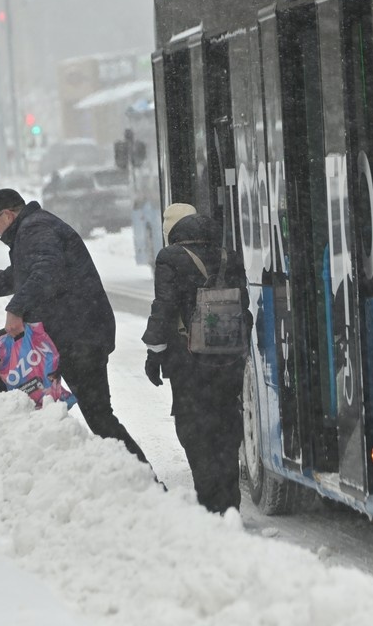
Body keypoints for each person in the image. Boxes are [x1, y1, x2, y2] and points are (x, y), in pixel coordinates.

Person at [0, 188, 150, 465]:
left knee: (98, 416)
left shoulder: (35, 228)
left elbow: (46, 270)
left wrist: (15, 309)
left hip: (78, 334)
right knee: (98, 416)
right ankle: (16, 433)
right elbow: (12, 278)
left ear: (7, 215)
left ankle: (10, 432)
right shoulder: (32, 229)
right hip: (69, 332)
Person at [142, 203, 248, 514]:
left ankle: (209, 500)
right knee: (226, 424)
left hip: (188, 360)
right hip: (229, 358)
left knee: (194, 429)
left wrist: (155, 352)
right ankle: (230, 503)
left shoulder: (169, 257)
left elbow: (163, 307)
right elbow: (244, 304)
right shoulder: (229, 255)